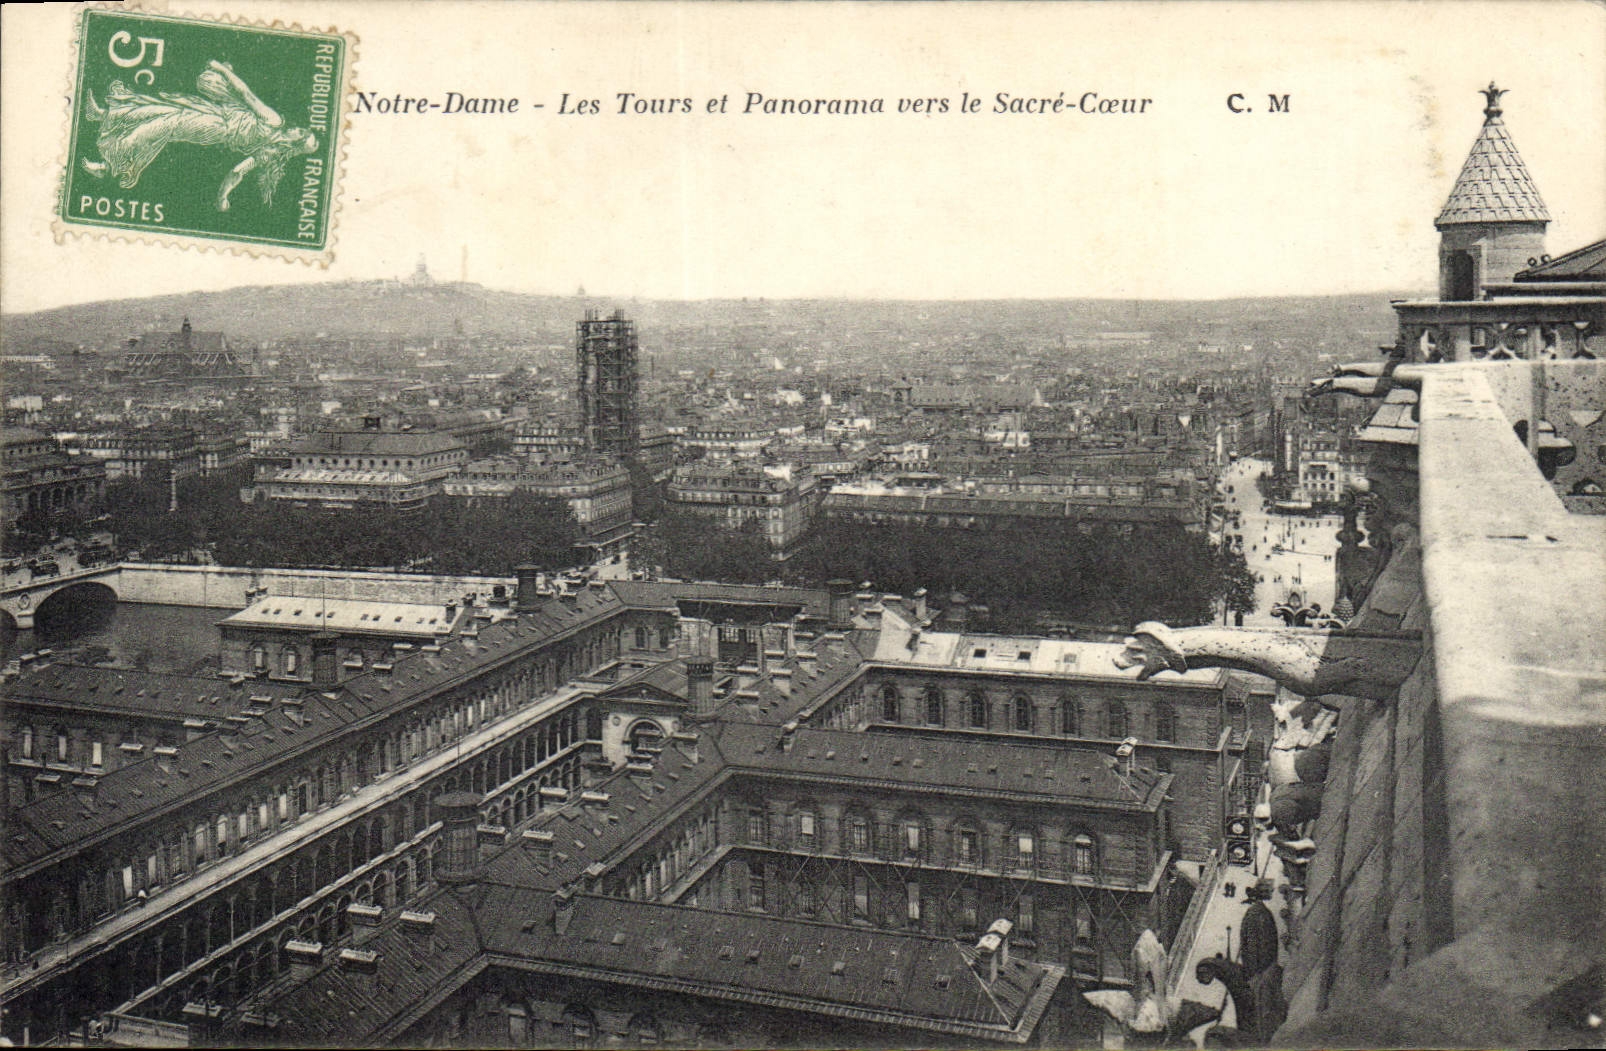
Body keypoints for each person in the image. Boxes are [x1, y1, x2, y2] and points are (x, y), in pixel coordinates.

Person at [80, 60, 317, 211]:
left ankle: (108, 165)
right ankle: (102, 115)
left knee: (167, 123)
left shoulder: (275, 122)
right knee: (166, 109)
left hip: (215, 126)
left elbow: (246, 95)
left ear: (295, 139)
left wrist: (221, 69)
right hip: (216, 115)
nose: (298, 128)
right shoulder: (269, 153)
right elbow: (237, 172)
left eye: (301, 132)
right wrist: (223, 197)